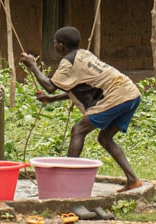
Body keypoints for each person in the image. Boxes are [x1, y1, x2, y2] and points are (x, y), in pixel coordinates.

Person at [20, 26, 144, 192]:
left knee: (78, 130)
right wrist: (52, 100)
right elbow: (79, 87)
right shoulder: (84, 54)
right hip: (131, 93)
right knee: (105, 138)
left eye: (55, 43)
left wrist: (33, 66)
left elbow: (50, 86)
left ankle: (68, 180)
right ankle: (132, 179)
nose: (54, 45)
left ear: (61, 46)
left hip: (116, 96)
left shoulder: (68, 62)